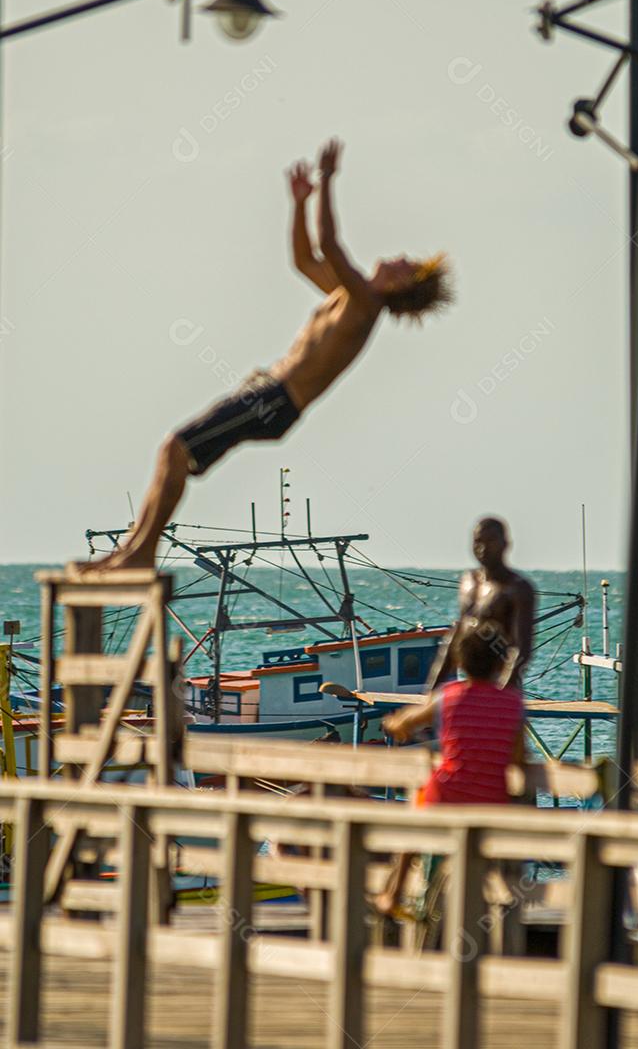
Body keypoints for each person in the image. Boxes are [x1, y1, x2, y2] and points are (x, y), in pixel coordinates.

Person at [79, 139, 453, 572]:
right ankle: (132, 551)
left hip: (275, 401)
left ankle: (140, 554)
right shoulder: (347, 296)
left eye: (407, 267)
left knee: (176, 448)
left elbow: (330, 244)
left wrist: (329, 179)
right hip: (267, 394)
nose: (400, 258)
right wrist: (298, 203)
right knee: (174, 453)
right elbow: (304, 259)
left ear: (399, 288)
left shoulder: (365, 304)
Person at [375, 614, 525, 917]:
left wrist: (393, 724)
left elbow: (406, 721)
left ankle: (394, 893)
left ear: (459, 662)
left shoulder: (449, 696)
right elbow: (519, 757)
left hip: (447, 796)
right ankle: (491, 906)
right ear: (500, 666)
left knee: (416, 821)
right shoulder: (513, 703)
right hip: (491, 801)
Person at [425, 516, 536, 693]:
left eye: (490, 541)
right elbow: (456, 637)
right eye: (478, 542)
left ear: (505, 544)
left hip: (502, 686)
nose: (483, 548)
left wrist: (502, 692)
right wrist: (431, 691)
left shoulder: (517, 588)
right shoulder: (468, 581)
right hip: (469, 684)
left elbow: (521, 650)